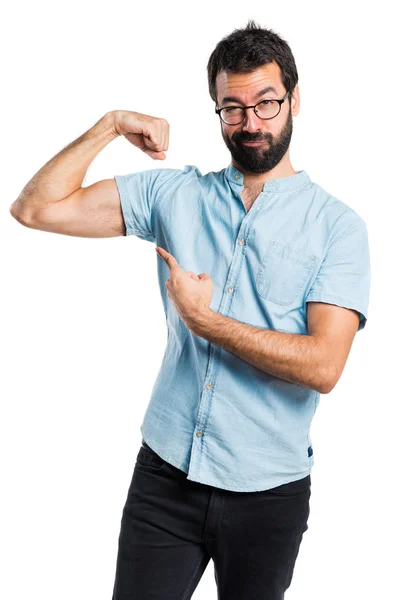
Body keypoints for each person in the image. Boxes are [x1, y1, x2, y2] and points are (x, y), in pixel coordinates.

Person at [10, 19, 370, 600]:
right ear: (217, 111)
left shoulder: (338, 229)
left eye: (267, 103)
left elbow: (324, 366)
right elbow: (35, 208)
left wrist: (204, 321)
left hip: (268, 494)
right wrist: (110, 125)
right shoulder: (175, 195)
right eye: (233, 108)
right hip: (164, 477)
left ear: (295, 99)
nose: (251, 123)